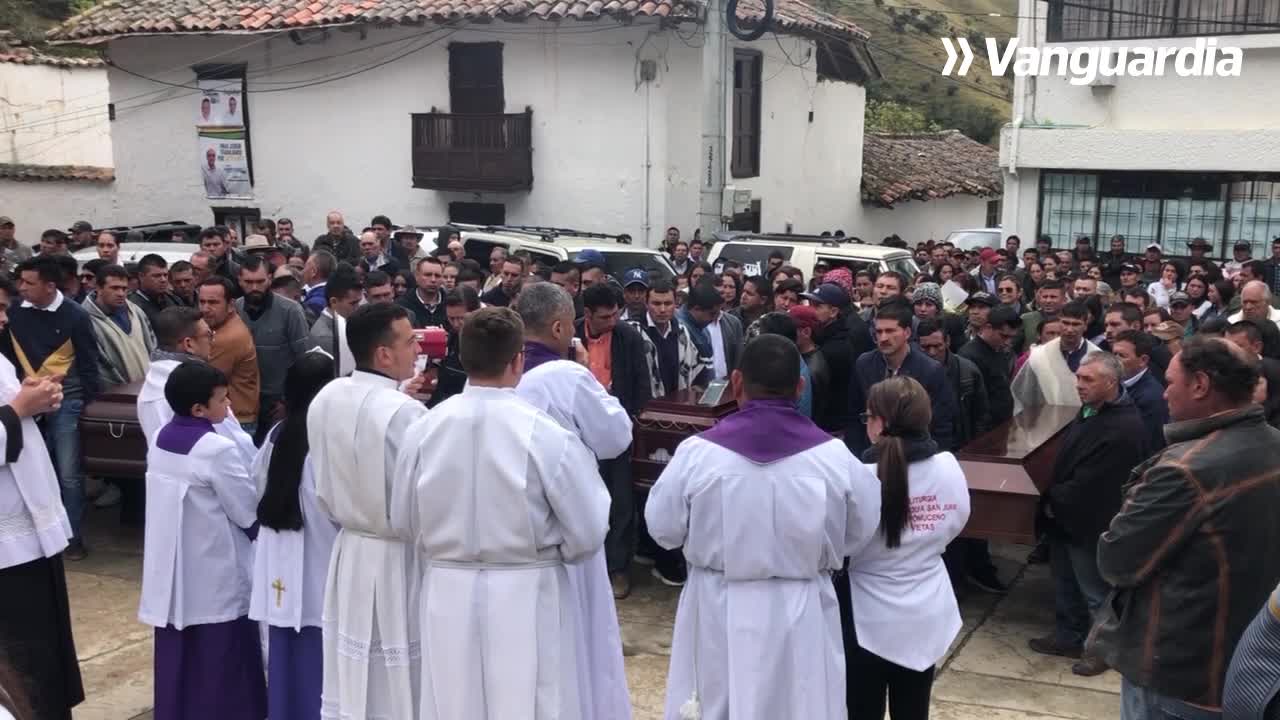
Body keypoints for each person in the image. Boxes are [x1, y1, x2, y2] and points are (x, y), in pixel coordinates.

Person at [647, 335, 881, 720]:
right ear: (800, 386)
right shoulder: (835, 458)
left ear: (736, 382)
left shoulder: (697, 454)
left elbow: (664, 529)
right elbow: (860, 532)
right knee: (800, 704)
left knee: (715, 702)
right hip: (801, 607)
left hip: (717, 602)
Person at [392, 307, 609, 720]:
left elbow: (403, 518)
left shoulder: (423, 428)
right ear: (518, 361)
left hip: (448, 588)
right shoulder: (546, 433)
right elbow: (588, 529)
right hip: (527, 589)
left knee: (452, 700)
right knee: (533, 701)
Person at [1092, 337, 1280, 719]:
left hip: (1181, 674)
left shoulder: (1184, 471)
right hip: (1252, 669)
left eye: (1171, 381)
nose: (1163, 394)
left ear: (1201, 385)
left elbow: (1117, 560)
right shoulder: (1274, 443)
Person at [511, 283, 633, 718]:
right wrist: (589, 375)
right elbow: (616, 437)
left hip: (511, 533)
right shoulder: (566, 375)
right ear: (561, 326)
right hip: (567, 525)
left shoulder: (499, 372)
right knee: (580, 637)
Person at [307, 302, 428, 720]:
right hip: (399, 558)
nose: (418, 349)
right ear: (384, 354)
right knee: (401, 674)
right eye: (410, 341)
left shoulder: (327, 396)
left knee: (355, 666)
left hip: (350, 550)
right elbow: (425, 495)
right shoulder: (407, 414)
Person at [139, 361, 267, 720]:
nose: (227, 407)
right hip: (215, 572)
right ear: (198, 409)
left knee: (183, 660)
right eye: (222, 401)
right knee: (224, 663)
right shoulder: (216, 449)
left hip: (175, 575)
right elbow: (247, 512)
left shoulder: (161, 438)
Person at [845, 376, 970, 720]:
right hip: (926, 607)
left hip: (866, 612)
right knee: (915, 709)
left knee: (861, 708)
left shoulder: (857, 476)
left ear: (880, 422)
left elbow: (841, 544)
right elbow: (955, 523)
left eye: (867, 416)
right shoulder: (948, 467)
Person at [1028, 353, 1150, 678]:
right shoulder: (1090, 411)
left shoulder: (1123, 426)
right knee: (1065, 583)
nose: (1079, 385)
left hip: (1090, 522)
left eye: (1087, 380)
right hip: (1066, 518)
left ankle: (1100, 653)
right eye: (1078, 378)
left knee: (1095, 593)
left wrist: (1053, 497)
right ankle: (1068, 636)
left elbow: (1097, 484)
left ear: (1111, 383)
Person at [0, 273, 84, 720]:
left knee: (47, 659)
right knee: (23, 665)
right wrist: (18, 411)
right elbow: (9, 415)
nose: (3, 317)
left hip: (33, 536)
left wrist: (37, 399)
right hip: (5, 550)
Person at [249, 352, 339, 720]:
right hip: (321, 557)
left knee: (284, 650)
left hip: (279, 557)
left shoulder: (275, 434)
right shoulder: (326, 441)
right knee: (319, 656)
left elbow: (256, 485)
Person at [2, 256, 99, 561]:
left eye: (29, 283)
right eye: (20, 282)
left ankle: (71, 536)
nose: (22, 289)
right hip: (23, 401)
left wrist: (87, 405)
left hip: (65, 402)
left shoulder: (76, 316)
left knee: (68, 472)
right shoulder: (15, 311)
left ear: (50, 286)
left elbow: (88, 364)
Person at [574, 282, 651, 599]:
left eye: (616, 314)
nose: (612, 321)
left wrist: (630, 424)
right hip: (577, 432)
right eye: (605, 317)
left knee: (619, 502)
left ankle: (617, 567)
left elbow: (641, 388)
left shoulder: (628, 337)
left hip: (616, 431)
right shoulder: (571, 336)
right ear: (588, 314)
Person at [847, 301, 955, 456]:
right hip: (872, 456)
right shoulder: (864, 364)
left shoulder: (930, 370)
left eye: (891, 331)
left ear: (907, 333)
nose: (883, 338)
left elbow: (941, 424)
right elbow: (854, 416)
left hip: (916, 457)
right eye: (879, 331)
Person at [238, 256, 313, 444]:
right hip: (243, 402)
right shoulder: (235, 309)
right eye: (248, 282)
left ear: (270, 279)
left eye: (260, 281)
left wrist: (288, 402)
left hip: (277, 403)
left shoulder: (290, 311)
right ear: (239, 280)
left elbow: (304, 361)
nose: (254, 287)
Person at [1012, 301, 1100, 412]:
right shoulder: (1039, 355)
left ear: (1086, 325)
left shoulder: (1096, 357)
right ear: (1059, 322)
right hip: (1044, 421)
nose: (1069, 329)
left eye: (1076, 324)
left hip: (1083, 422)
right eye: (1065, 323)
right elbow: (1024, 394)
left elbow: (1099, 398)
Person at [629, 279, 709, 400]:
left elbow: (698, 372)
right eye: (656, 303)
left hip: (677, 409)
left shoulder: (682, 332)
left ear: (676, 303)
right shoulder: (632, 332)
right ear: (646, 304)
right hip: (643, 409)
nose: (662, 309)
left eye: (667, 303)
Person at [198, 277, 260, 434]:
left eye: (213, 302)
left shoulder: (228, 337)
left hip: (236, 420)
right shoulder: (224, 325)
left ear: (231, 305)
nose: (205, 308)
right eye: (202, 301)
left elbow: (203, 381)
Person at [916, 319, 986, 451]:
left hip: (960, 446)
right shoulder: (911, 372)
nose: (932, 352)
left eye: (937, 346)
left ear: (947, 341)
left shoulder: (967, 370)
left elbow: (981, 415)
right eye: (925, 347)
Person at [82, 264, 155, 387]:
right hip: (115, 398)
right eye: (114, 288)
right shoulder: (85, 320)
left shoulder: (135, 311)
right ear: (99, 288)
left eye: (124, 288)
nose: (121, 293)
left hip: (146, 388)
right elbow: (100, 370)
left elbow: (152, 346)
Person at [960, 304, 1021, 435]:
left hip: (1001, 426)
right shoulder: (969, 356)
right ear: (988, 328)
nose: (1008, 342)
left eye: (1012, 337)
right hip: (983, 433)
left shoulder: (999, 350)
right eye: (1004, 336)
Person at [1110, 330, 1170, 451]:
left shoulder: (1151, 398)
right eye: (1114, 354)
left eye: (1121, 356)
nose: (1114, 362)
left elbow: (1147, 446)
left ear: (1143, 360)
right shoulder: (1115, 383)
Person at [678, 282, 743, 381]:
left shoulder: (703, 329)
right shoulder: (680, 330)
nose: (714, 319)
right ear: (697, 309)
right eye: (712, 314)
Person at [307, 267, 361, 377]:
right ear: (334, 302)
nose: (358, 308)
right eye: (353, 303)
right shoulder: (326, 337)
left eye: (358, 302)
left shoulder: (339, 327)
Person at [399, 256, 448, 328]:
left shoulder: (450, 303)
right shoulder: (402, 306)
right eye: (428, 275)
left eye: (437, 276)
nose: (433, 280)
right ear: (416, 276)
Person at [301, 251, 336, 317]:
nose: (303, 271)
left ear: (313, 272)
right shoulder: (332, 293)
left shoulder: (315, 303)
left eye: (305, 266)